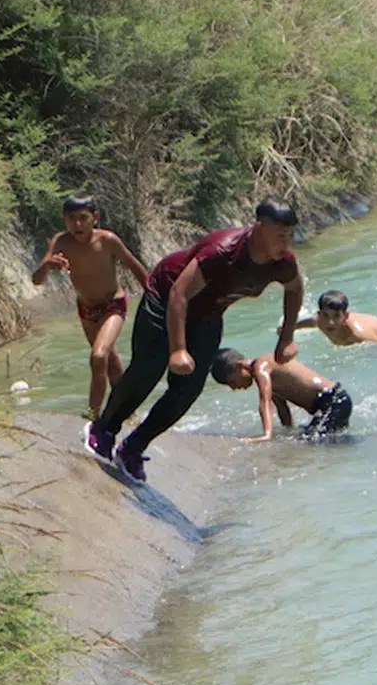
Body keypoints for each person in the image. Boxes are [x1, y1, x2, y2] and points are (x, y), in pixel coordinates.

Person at [84, 198, 304, 483]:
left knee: (189, 389)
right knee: (148, 370)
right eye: (280, 235)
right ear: (260, 227)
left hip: (207, 315)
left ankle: (133, 448)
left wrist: (286, 338)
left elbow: (294, 288)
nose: (286, 242)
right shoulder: (224, 252)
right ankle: (103, 429)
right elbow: (179, 293)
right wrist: (177, 349)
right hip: (165, 298)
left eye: (290, 235)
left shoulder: (283, 262)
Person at [31, 193, 149, 420]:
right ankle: (129, 413)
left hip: (113, 305)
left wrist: (157, 298)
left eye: (83, 218)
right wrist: (46, 266)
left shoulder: (108, 240)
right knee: (111, 365)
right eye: (71, 219)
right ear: (65, 219)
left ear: (95, 218)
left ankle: (93, 415)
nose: (77, 224)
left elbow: (135, 267)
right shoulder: (60, 242)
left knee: (98, 356)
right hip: (86, 309)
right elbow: (36, 280)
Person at [210, 347, 352, 440]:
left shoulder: (261, 367)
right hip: (331, 404)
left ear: (240, 367)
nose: (234, 388)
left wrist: (267, 434)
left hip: (334, 401)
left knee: (314, 442)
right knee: (308, 438)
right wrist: (288, 430)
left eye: (232, 382)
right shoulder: (268, 375)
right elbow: (282, 409)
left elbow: (265, 401)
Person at [294, 289, 377, 345]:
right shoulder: (318, 321)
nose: (330, 322)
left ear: (345, 316)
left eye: (336, 316)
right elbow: (299, 325)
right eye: (326, 315)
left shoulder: (359, 335)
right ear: (319, 314)